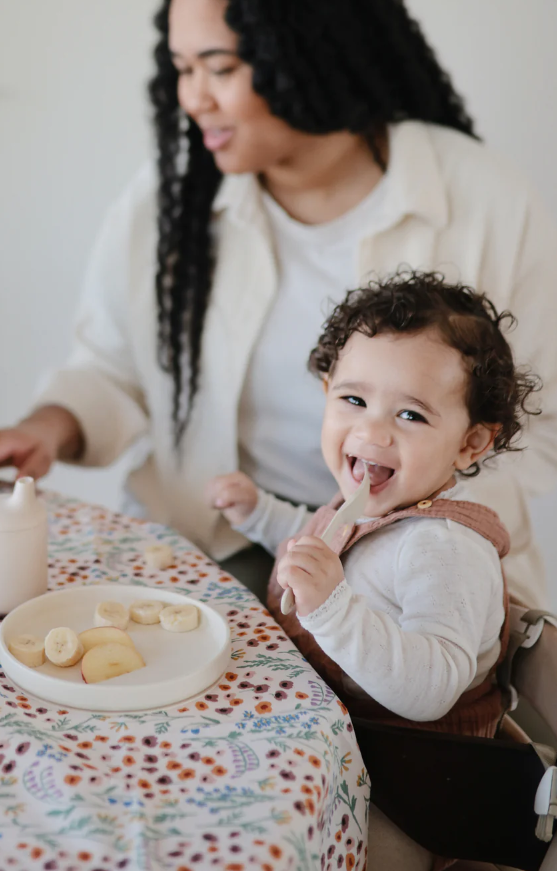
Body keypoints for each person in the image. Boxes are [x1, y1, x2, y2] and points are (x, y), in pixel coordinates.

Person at [0, 0, 557, 610]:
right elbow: (111, 369)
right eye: (182, 68)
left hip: (410, 587)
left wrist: (383, 538)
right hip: (205, 553)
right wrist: (47, 428)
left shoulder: (486, 203)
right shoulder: (170, 203)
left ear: (307, 53)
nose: (192, 97)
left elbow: (536, 428)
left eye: (219, 68)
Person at [207, 270, 539, 871]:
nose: (372, 430)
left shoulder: (442, 547)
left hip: (411, 791)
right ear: (327, 390)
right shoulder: (368, 505)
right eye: (354, 400)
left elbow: (432, 691)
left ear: (471, 444)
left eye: (410, 415)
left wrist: (332, 607)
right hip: (335, 743)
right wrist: (259, 514)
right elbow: (317, 539)